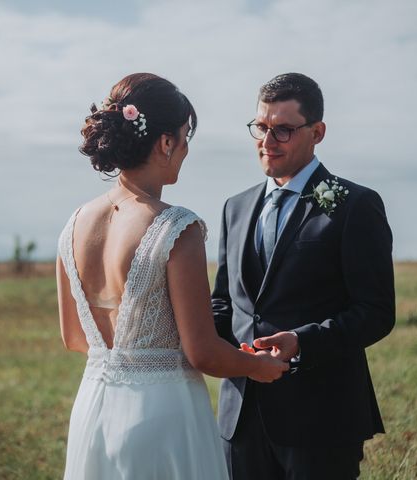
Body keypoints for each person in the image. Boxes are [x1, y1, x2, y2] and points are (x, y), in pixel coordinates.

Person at [56, 73, 288, 479]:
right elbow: (203, 353)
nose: (184, 149)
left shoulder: (74, 223)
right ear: (165, 142)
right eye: (184, 137)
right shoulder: (175, 227)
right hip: (163, 415)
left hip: (93, 407)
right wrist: (258, 367)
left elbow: (74, 338)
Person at [212, 73, 396, 479]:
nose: (267, 140)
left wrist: (302, 342)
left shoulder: (356, 205)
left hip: (322, 418)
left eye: (283, 129)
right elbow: (225, 302)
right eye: (261, 127)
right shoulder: (235, 207)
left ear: (317, 132)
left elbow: (377, 312)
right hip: (241, 416)